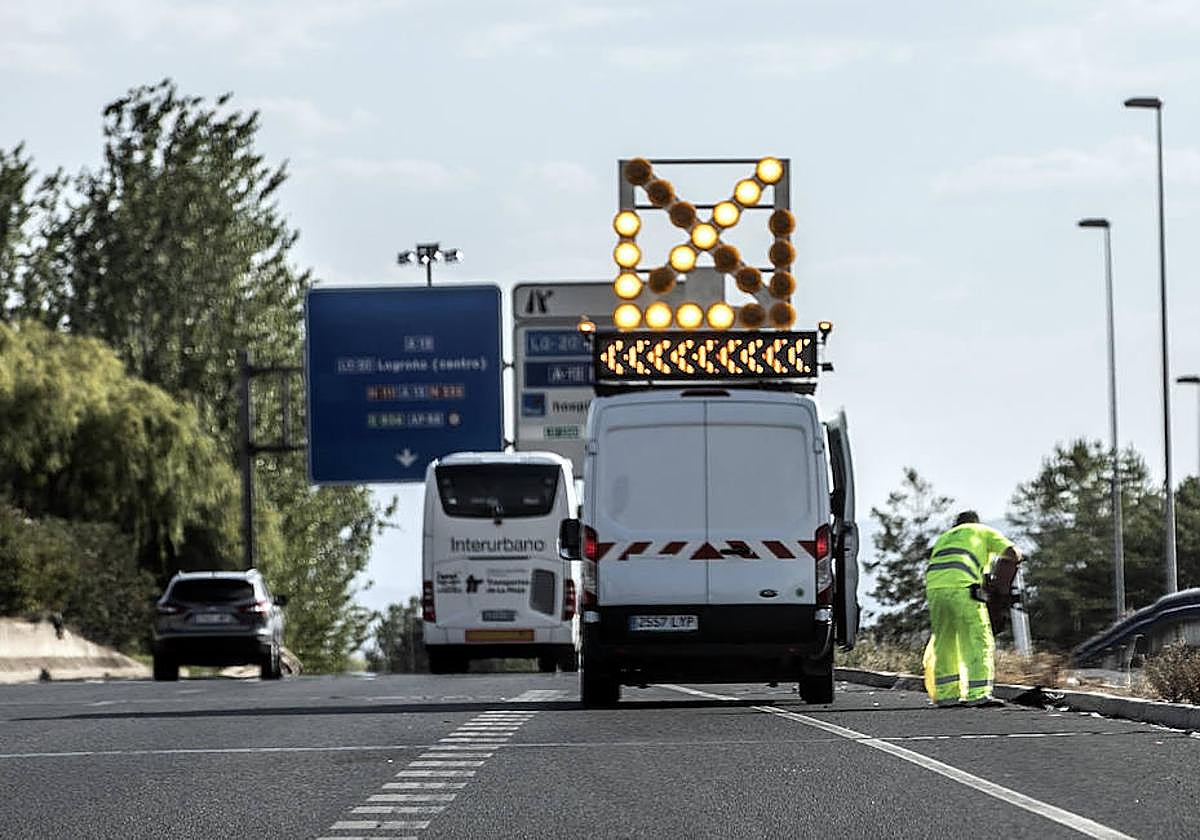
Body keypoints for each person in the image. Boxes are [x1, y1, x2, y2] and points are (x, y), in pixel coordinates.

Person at [926, 510, 1021, 707]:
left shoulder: (944, 537)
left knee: (945, 642)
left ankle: (946, 695)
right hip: (962, 589)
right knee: (977, 638)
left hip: (935, 591)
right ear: (975, 522)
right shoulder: (981, 530)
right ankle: (978, 693)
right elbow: (1012, 553)